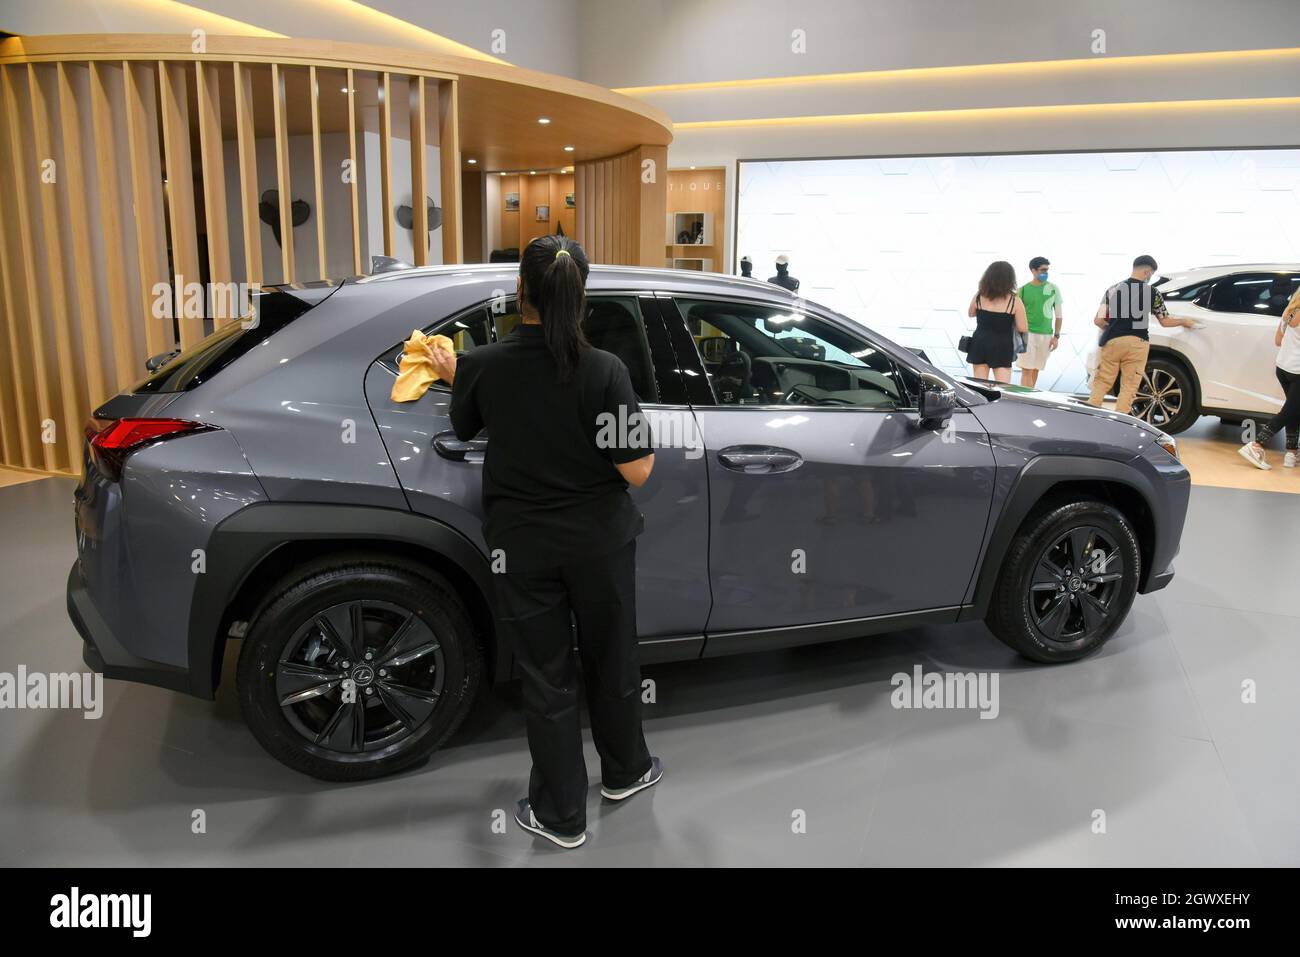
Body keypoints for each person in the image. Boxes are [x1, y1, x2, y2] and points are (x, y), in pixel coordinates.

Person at [427, 235, 662, 849]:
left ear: (519, 293)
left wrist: (459, 371)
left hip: (521, 548)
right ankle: (626, 772)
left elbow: (466, 419)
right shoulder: (605, 370)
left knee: (547, 676)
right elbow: (638, 469)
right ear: (580, 298)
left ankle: (560, 815)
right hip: (600, 545)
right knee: (613, 657)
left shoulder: (484, 366)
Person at [1087, 255, 1198, 415]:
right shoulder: (1152, 292)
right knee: (1129, 385)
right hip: (1137, 344)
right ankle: (1121, 424)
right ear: (1147, 271)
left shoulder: (1113, 289)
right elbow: (1165, 321)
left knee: (1103, 381)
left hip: (1112, 341)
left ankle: (1089, 417)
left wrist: (1112, 327)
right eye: (1151, 274)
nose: (1150, 277)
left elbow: (1098, 320)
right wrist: (1184, 322)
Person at [1239, 284, 1300, 470]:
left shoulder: (1289, 311)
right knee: (1290, 411)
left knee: (1294, 410)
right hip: (1298, 370)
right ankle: (1256, 445)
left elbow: (1278, 341)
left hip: (1283, 367)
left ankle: (1291, 453)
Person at [966, 260, 1028, 383]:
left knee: (979, 387)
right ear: (1010, 279)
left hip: (980, 343)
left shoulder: (979, 295)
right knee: (1003, 388)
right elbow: (1023, 328)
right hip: (1002, 345)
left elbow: (971, 313)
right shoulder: (1014, 300)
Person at [1016, 256, 1062, 388]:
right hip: (1027, 334)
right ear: (1033, 270)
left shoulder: (1054, 289)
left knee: (1036, 369)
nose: (1045, 273)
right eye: (1043, 270)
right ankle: (1025, 401)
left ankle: (1029, 399)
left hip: (1046, 336)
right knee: (1027, 370)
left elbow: (1059, 315)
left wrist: (1056, 337)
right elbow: (1016, 314)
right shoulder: (1022, 290)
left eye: (1047, 270)